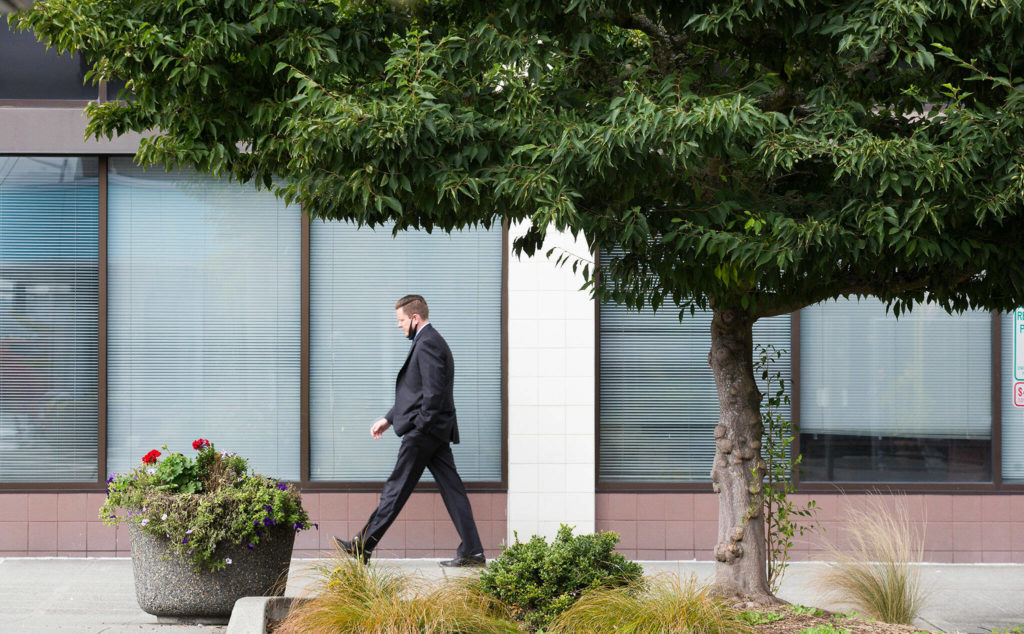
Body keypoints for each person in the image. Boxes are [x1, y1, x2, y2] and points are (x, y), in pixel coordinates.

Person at [335, 294, 486, 567]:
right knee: (453, 490)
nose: (398, 325)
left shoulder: (428, 344)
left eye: (401, 320)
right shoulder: (428, 341)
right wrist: (389, 418)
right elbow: (415, 392)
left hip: (425, 432)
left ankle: (362, 546)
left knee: (396, 488)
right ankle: (473, 551)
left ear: (415, 318)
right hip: (433, 432)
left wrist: (420, 428)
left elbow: (434, 394)